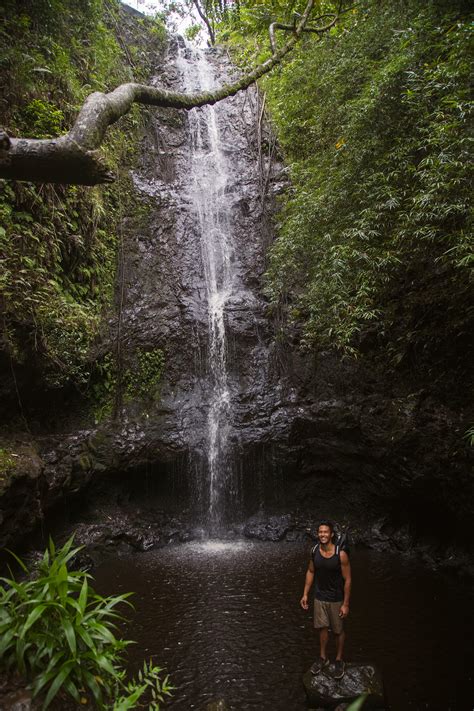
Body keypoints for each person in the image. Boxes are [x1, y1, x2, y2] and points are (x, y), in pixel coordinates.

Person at [300, 521, 352, 679]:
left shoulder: (340, 554)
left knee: (338, 631)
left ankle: (339, 659)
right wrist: (305, 594)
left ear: (331, 535)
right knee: (322, 628)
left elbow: (348, 579)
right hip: (319, 596)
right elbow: (310, 571)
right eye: (320, 532)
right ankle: (323, 658)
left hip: (336, 598)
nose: (322, 534)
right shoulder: (314, 550)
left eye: (325, 532)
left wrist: (346, 604)